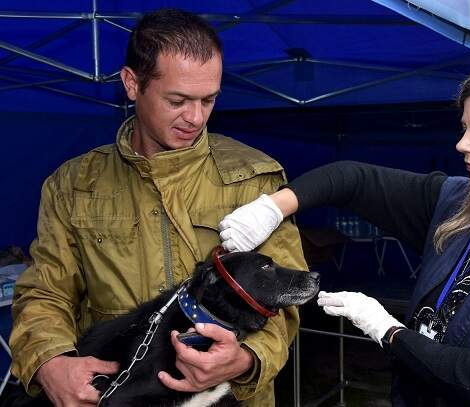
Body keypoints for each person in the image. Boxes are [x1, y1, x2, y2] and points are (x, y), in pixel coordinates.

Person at [218, 57, 470, 406]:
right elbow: (352, 179)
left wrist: (390, 332)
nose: (462, 144)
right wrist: (272, 207)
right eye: (465, 128)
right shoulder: (458, 204)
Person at [9, 9, 307, 407]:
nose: (196, 117)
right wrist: (50, 361)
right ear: (132, 84)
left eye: (209, 100)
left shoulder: (254, 180)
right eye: (178, 100)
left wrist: (246, 359)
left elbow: (286, 292)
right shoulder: (74, 185)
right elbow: (46, 292)